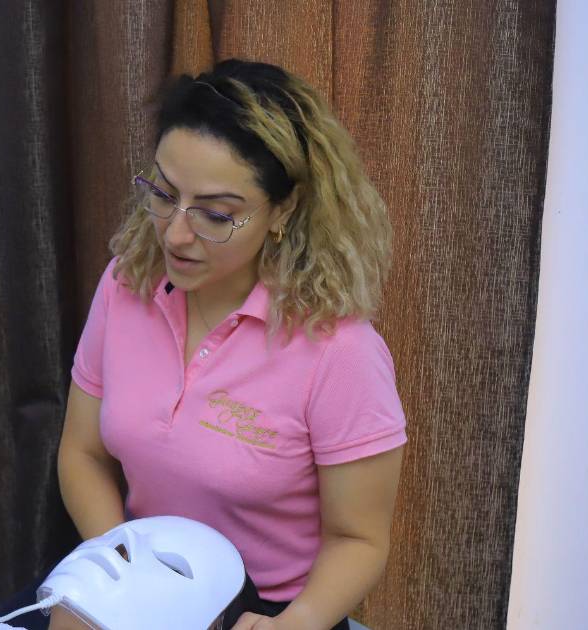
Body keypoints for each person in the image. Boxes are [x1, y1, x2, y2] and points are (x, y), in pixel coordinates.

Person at [57, 58, 406, 630]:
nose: (175, 234)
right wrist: (125, 572)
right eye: (164, 193)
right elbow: (82, 454)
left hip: (267, 611)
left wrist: (296, 624)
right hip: (144, 580)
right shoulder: (126, 284)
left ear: (283, 210)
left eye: (216, 214)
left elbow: (359, 539)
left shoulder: (338, 350)